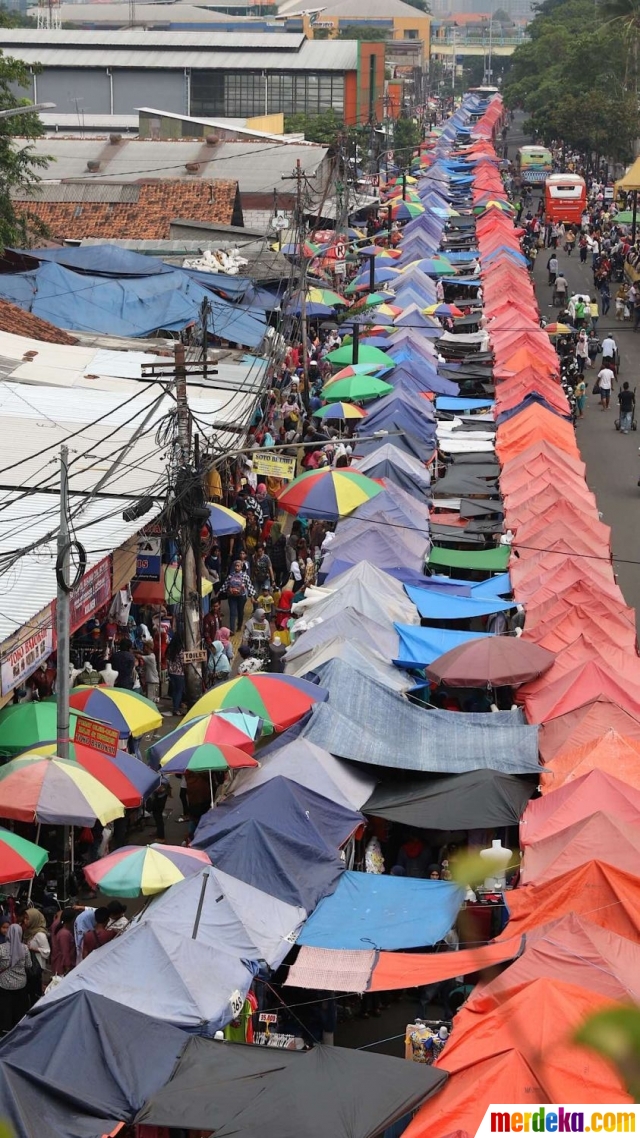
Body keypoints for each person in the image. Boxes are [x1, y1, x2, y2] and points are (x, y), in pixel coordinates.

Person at [0, 921, 30, 1032]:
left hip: (5, 984)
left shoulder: (1, 948)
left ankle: (5, 1029)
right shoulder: (25, 948)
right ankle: (18, 1029)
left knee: (5, 1008)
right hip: (21, 983)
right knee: (19, 1008)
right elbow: (29, 965)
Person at [220, 559, 255, 636]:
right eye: (235, 566)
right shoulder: (230, 575)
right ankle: (232, 630)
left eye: (238, 566)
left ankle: (239, 625)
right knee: (232, 613)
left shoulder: (245, 576)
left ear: (241, 567)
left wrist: (252, 596)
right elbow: (225, 585)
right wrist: (219, 593)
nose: (236, 567)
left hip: (241, 597)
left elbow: (249, 586)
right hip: (232, 597)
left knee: (240, 612)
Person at [21, 908, 50, 1001]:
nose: (25, 921)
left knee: (35, 989)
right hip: (29, 965)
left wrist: (32, 949)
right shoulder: (28, 931)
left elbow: (47, 951)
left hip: (36, 966)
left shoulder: (40, 935)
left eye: (27, 918)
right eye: (24, 918)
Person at [50, 908, 77, 976]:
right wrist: (68, 968)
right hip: (62, 968)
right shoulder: (64, 934)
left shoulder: (58, 925)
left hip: (59, 965)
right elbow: (65, 953)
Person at [166, 633, 186, 717]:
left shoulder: (170, 649)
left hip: (171, 672)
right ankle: (176, 709)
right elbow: (184, 662)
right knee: (179, 691)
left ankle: (175, 706)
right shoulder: (180, 650)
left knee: (174, 691)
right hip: (179, 673)